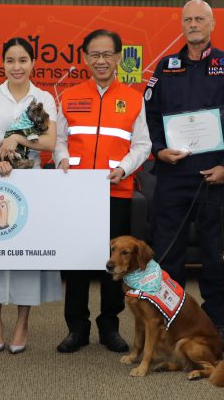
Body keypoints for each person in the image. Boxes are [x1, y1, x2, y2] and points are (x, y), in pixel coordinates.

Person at [143, 0, 224, 351]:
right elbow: (151, 116)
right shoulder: (166, 66)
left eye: (199, 19)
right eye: (187, 19)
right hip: (173, 175)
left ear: (212, 23)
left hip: (214, 176)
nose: (193, 24)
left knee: (215, 254)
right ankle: (171, 319)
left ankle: (216, 323)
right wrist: (158, 149)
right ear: (182, 25)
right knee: (168, 253)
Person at [0, 37, 61, 354]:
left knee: (25, 256)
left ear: (33, 63)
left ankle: (21, 324)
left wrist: (18, 138)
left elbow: (49, 143)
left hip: (30, 180)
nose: (16, 67)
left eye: (23, 60)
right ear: (2, 64)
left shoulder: (43, 97)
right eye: (10, 61)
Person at [55, 29, 151, 353]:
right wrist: (62, 160)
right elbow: (60, 141)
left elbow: (143, 145)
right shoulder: (69, 95)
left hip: (116, 191)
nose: (100, 60)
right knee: (77, 261)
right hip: (78, 192)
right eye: (94, 54)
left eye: (107, 54)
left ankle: (110, 326)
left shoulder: (134, 98)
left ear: (118, 58)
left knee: (116, 263)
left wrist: (124, 167)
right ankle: (76, 328)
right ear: (84, 58)